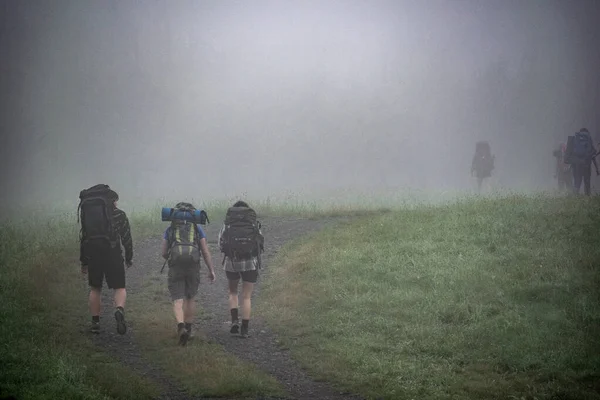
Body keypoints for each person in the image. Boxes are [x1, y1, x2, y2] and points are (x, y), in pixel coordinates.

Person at [79, 184, 133, 335]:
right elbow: (126, 238)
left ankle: (95, 323)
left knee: (95, 288)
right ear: (112, 200)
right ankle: (119, 310)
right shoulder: (119, 215)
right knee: (119, 287)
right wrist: (129, 257)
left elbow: (84, 237)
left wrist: (84, 261)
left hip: (94, 253)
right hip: (113, 252)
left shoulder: (89, 215)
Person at [161, 202, 216, 346]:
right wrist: (211, 270)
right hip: (193, 265)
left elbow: (163, 252)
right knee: (190, 298)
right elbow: (205, 251)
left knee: (178, 299)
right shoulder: (197, 229)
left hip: (176, 266)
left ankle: (180, 327)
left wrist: (172, 258)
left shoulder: (170, 229)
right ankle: (189, 330)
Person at [218, 201, 264, 338]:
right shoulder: (253, 223)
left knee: (233, 292)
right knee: (247, 296)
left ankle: (234, 322)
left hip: (232, 262)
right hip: (250, 262)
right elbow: (260, 242)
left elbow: (221, 243)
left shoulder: (227, 224)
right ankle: (244, 329)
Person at [570, 128, 598, 196]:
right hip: (586, 166)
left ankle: (574, 197)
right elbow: (593, 156)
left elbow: (571, 155)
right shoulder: (589, 141)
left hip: (577, 166)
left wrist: (571, 167)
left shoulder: (576, 141)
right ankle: (587, 198)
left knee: (577, 183)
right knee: (587, 183)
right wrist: (597, 169)